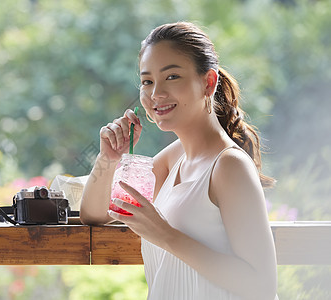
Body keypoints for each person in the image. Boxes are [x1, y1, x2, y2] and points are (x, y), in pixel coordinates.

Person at [80, 21, 278, 300]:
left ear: (208, 82)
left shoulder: (229, 166)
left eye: (172, 77)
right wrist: (108, 158)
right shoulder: (174, 158)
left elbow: (262, 284)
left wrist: (166, 235)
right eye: (147, 81)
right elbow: (95, 214)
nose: (156, 94)